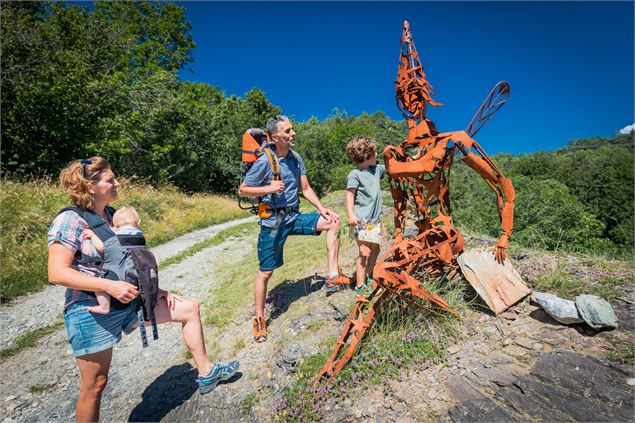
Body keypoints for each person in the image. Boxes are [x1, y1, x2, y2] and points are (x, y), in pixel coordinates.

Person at [48, 157, 239, 422]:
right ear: (90, 186)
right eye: (110, 180)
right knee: (95, 385)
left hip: (129, 299)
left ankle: (207, 374)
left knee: (189, 308)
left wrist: (154, 288)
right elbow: (56, 272)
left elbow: (130, 259)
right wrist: (109, 286)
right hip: (91, 308)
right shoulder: (71, 219)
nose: (117, 183)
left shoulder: (114, 217)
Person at [238, 115, 351, 343]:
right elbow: (243, 190)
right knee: (265, 272)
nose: (293, 134)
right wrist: (268, 187)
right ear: (275, 137)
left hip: (294, 216)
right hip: (273, 222)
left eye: (293, 129)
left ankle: (332, 276)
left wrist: (322, 208)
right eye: (288, 131)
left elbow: (306, 188)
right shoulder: (264, 161)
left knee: (333, 222)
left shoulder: (295, 158)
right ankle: (259, 318)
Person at [82, 206, 144, 315]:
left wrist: (92, 236)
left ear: (114, 228)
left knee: (99, 283)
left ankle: (104, 306)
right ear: (139, 223)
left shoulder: (115, 239)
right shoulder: (140, 238)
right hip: (135, 274)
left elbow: (101, 247)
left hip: (116, 275)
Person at [345, 136, 386, 295]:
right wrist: (350, 215)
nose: (377, 154)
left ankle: (368, 276)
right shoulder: (354, 174)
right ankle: (360, 285)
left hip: (375, 220)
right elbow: (349, 195)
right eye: (375, 152)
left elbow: (392, 166)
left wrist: (415, 157)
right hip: (361, 220)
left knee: (375, 250)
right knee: (364, 253)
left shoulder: (376, 170)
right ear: (367, 155)